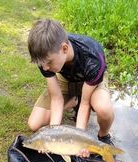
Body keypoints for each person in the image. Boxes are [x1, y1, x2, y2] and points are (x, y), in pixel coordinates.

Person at [27, 19, 114, 152]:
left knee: (104, 109)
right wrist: (52, 137)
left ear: (65, 48)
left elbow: (85, 104)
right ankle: (72, 101)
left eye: (49, 63)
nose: (45, 67)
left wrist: (80, 141)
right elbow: (56, 98)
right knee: (34, 124)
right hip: (66, 78)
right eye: (42, 64)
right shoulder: (44, 58)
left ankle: (103, 136)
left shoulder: (94, 58)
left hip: (90, 81)